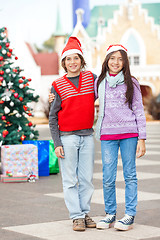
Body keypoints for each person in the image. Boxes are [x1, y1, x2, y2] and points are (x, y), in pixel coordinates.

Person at [95, 44, 146, 231]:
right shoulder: (99, 82)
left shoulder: (131, 82)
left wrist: (142, 138)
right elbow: (83, 98)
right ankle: (110, 214)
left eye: (120, 58)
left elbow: (139, 109)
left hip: (129, 134)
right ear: (107, 60)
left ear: (125, 62)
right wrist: (55, 97)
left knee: (130, 175)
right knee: (108, 177)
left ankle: (129, 215)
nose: (115, 62)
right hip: (107, 134)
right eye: (112, 58)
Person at [49, 36, 97, 231]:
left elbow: (107, 90)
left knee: (87, 179)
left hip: (87, 136)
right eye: (68, 59)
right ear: (64, 63)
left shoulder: (92, 78)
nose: (73, 62)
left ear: (82, 60)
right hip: (67, 137)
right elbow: (52, 117)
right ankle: (76, 216)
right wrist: (57, 143)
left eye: (76, 58)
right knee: (70, 179)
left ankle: (84, 213)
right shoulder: (58, 85)